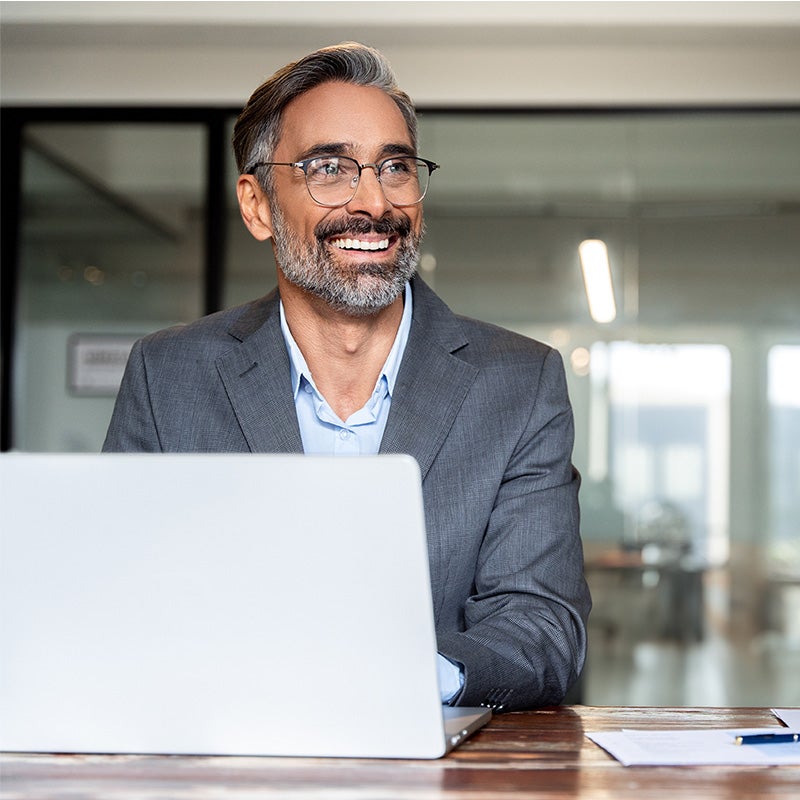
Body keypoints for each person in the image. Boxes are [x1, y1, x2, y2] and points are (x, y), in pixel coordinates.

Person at [103, 42, 591, 711]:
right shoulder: (170, 376)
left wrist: (401, 683)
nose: (374, 201)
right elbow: (122, 602)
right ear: (257, 206)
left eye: (394, 166)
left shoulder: (519, 383)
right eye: (329, 168)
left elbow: (542, 626)